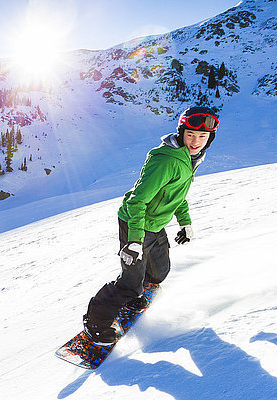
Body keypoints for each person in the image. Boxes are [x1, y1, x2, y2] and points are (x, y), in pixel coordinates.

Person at [83, 106, 220, 345]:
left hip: (155, 223)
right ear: (181, 133)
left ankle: (134, 292)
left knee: (158, 273)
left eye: (202, 136)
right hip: (136, 222)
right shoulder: (167, 160)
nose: (196, 141)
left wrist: (185, 223)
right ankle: (95, 324)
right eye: (190, 135)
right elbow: (138, 201)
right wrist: (134, 240)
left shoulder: (190, 158)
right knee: (130, 283)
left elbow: (176, 194)